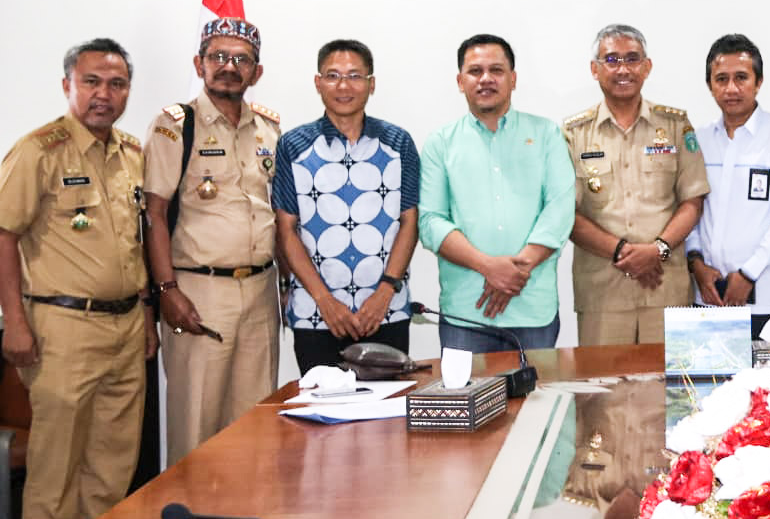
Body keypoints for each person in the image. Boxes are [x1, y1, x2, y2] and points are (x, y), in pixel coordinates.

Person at [0, 38, 156, 519]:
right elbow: (4, 236)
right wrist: (13, 322)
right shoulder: (38, 151)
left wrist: (147, 316)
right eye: (91, 82)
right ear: (67, 85)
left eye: (116, 84)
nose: (103, 94)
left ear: (128, 90)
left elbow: (133, 243)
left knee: (113, 466)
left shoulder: (131, 153)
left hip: (126, 327)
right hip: (63, 328)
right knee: (56, 470)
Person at [141, 17, 283, 464]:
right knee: (196, 425)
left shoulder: (269, 129)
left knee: (254, 427)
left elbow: (277, 213)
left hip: (260, 293)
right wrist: (167, 290)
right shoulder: (174, 126)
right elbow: (154, 215)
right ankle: (189, 512)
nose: (229, 67)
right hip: (199, 292)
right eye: (218, 56)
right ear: (199, 63)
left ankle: (246, 511)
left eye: (242, 60)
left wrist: (285, 284)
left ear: (256, 72)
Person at [419, 34, 575, 352]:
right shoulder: (440, 143)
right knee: (467, 388)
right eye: (475, 71)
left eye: (497, 70)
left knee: (540, 388)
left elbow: (560, 209)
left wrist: (515, 272)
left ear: (513, 79)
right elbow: (431, 221)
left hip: (533, 308)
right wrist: (488, 267)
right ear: (460, 81)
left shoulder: (546, 134)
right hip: (466, 313)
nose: (486, 79)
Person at [272, 40, 419, 373]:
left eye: (354, 76)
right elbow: (286, 229)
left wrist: (385, 292)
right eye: (333, 75)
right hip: (316, 313)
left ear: (371, 83)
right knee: (318, 405)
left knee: (388, 406)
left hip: (386, 310)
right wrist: (325, 301)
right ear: (318, 83)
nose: (343, 86)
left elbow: (410, 222)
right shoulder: (293, 145)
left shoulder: (398, 143)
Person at [563, 24, 709, 346]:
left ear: (647, 67)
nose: (623, 69)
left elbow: (693, 201)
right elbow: (566, 215)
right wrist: (623, 252)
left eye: (632, 59)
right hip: (603, 294)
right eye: (611, 60)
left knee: (670, 378)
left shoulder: (675, 125)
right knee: (603, 379)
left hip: (666, 291)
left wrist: (657, 250)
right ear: (595, 69)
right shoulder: (574, 134)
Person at [687, 34, 770, 339]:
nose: (731, 88)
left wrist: (748, 273)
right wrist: (696, 264)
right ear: (710, 85)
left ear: (758, 82)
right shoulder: (699, 140)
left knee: (767, 372)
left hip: (765, 299)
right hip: (708, 297)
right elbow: (690, 210)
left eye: (741, 78)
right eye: (721, 79)